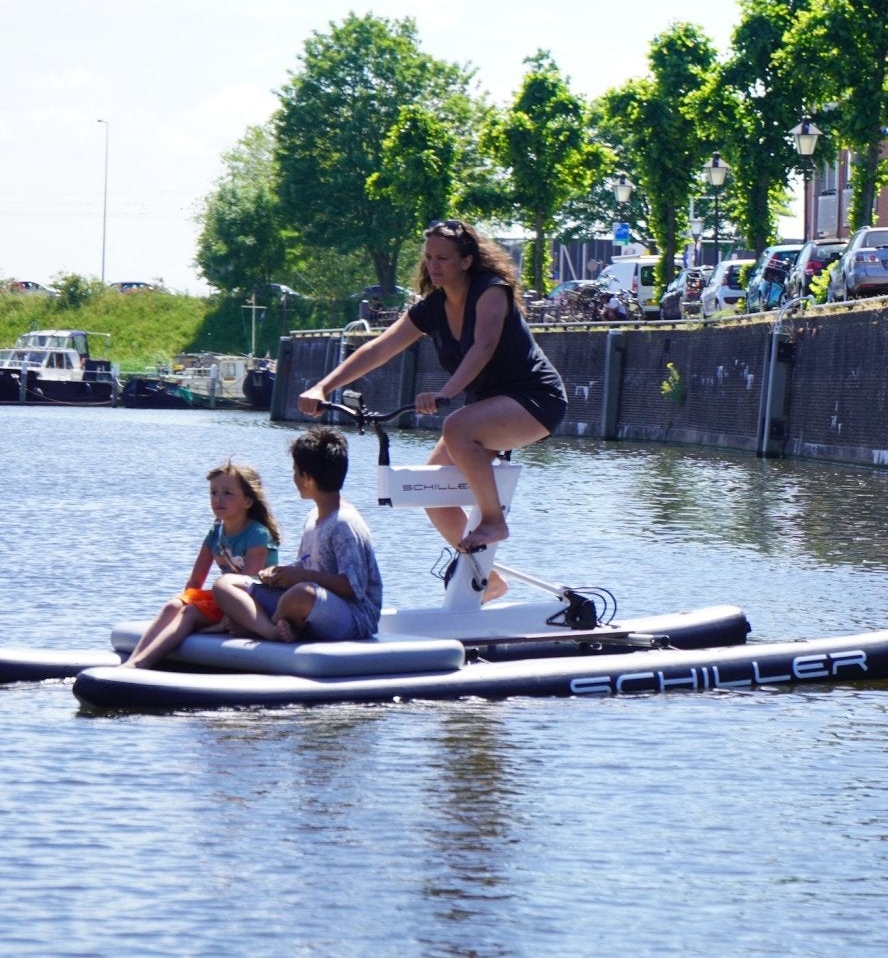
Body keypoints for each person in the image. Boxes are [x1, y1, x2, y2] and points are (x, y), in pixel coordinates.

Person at [297, 219, 567, 557]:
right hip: (487, 407)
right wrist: (323, 387)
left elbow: (483, 346)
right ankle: (485, 576)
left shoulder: (490, 290)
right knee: (431, 491)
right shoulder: (432, 308)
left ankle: (494, 521)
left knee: (456, 427)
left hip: (535, 399)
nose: (433, 266)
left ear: (466, 261)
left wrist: (445, 393)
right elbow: (379, 348)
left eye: (443, 258)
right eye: (429, 257)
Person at [214, 427, 382, 642]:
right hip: (309, 602)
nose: (293, 477)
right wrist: (282, 573)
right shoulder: (313, 516)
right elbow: (307, 565)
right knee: (226, 584)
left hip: (354, 617)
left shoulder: (344, 523)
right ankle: (272, 629)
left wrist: (301, 577)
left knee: (302, 594)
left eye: (295, 471)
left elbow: (352, 586)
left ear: (307, 479)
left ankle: (262, 628)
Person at [121, 463, 281, 669]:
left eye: (227, 493)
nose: (218, 499)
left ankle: (142, 663)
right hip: (224, 597)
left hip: (251, 603)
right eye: (214, 493)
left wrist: (223, 619)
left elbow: (249, 584)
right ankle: (133, 659)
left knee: (189, 614)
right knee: (173, 606)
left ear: (247, 501)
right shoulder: (215, 533)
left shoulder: (257, 534)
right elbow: (196, 581)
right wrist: (185, 601)